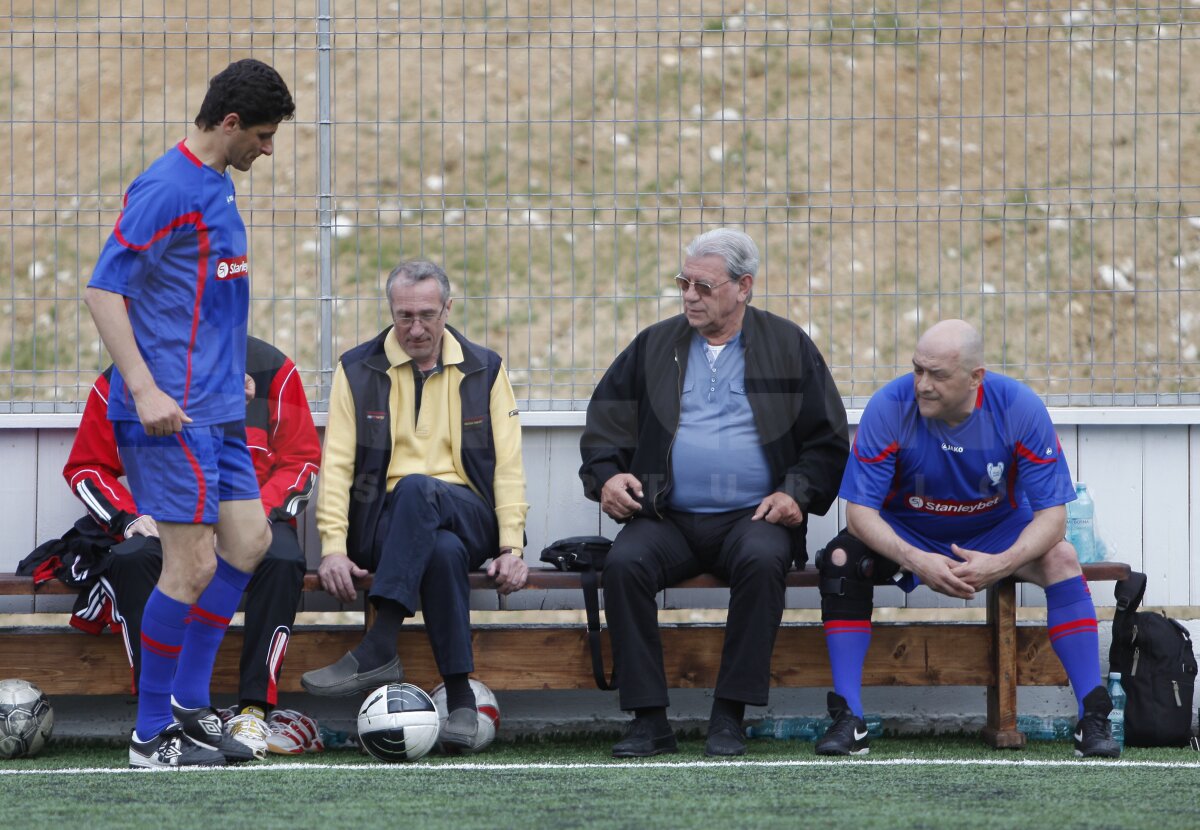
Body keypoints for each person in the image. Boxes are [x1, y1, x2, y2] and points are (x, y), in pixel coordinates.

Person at [83, 58, 296, 768]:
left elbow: (193, 295)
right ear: (230, 123)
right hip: (170, 416)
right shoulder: (168, 187)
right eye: (262, 136)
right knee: (191, 565)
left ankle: (187, 705)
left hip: (218, 406)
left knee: (250, 543)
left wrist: (225, 367)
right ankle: (151, 736)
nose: (269, 149)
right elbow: (104, 292)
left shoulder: (216, 183)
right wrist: (145, 389)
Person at [578, 228, 850, 758]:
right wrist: (607, 476)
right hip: (667, 516)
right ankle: (649, 720)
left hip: (753, 517)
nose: (690, 295)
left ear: (743, 287)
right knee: (624, 565)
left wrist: (795, 493)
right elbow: (605, 423)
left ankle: (729, 716)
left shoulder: (786, 345)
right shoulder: (654, 345)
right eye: (684, 283)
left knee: (762, 562)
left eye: (704, 286)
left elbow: (827, 440)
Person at [814, 319, 1120, 758]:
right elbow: (859, 512)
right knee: (842, 558)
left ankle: (1092, 717)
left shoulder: (1019, 408)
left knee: (1062, 558)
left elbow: (1053, 518)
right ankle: (849, 718)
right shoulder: (888, 406)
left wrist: (1002, 563)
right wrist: (917, 560)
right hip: (909, 532)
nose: (922, 384)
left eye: (937, 375)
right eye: (918, 369)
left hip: (996, 532)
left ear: (976, 377)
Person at [302, 259, 529, 751]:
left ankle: (380, 644)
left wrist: (511, 546)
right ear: (390, 311)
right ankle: (461, 699)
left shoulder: (485, 368)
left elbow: (508, 464)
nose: (416, 328)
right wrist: (333, 547)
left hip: (469, 512)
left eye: (427, 315)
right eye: (404, 316)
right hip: (385, 524)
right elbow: (336, 463)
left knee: (419, 490)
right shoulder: (357, 369)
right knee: (440, 548)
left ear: (448, 309)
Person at [63, 336, 320, 757]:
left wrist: (255, 516)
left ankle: (253, 711)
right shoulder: (122, 378)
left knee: (280, 556)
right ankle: (158, 717)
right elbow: (86, 467)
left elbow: (302, 460)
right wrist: (128, 519)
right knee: (134, 558)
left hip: (252, 512)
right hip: (164, 520)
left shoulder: (272, 368)